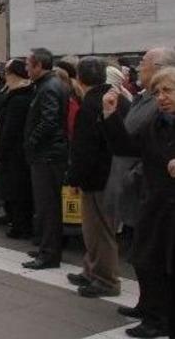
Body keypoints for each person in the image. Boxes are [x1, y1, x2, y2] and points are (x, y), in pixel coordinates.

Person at [102, 67, 175, 338]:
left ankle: (162, 319)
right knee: (148, 261)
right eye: (157, 92)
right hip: (154, 203)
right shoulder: (156, 123)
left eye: (168, 91)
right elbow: (126, 147)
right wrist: (110, 115)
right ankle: (154, 315)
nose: (161, 97)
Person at [65, 57, 129, 298]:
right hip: (113, 172)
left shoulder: (91, 105)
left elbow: (85, 149)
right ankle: (91, 269)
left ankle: (106, 280)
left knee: (99, 230)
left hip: (98, 178)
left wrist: (74, 178)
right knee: (94, 229)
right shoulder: (118, 98)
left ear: (79, 79)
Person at [22, 48, 69, 270]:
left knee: (48, 206)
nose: (26, 69)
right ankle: (46, 247)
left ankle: (49, 254)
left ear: (39, 65)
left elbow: (50, 121)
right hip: (47, 154)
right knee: (45, 206)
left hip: (48, 155)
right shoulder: (46, 85)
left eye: (28, 65)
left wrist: (32, 140)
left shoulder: (49, 87)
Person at [0, 59, 35, 239]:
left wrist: (1, 150)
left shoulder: (18, 98)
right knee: (17, 188)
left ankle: (20, 224)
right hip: (18, 150)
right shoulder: (19, 94)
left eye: (7, 72)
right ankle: (18, 222)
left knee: (17, 190)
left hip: (15, 152)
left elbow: (10, 129)